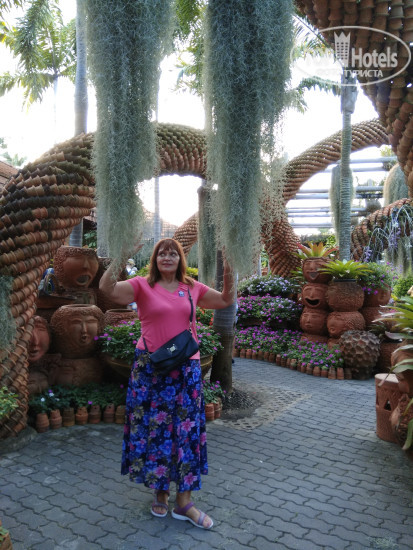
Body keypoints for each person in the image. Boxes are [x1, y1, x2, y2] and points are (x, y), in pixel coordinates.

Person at [99, 238, 234, 530]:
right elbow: (106, 289)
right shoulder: (141, 285)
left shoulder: (192, 288)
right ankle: (160, 489)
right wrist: (122, 254)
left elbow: (225, 300)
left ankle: (184, 501)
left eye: (173, 253)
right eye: (162, 253)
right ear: (155, 259)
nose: (168, 257)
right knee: (155, 429)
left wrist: (230, 267)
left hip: (186, 369)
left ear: (180, 258)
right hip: (150, 369)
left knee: (186, 431)